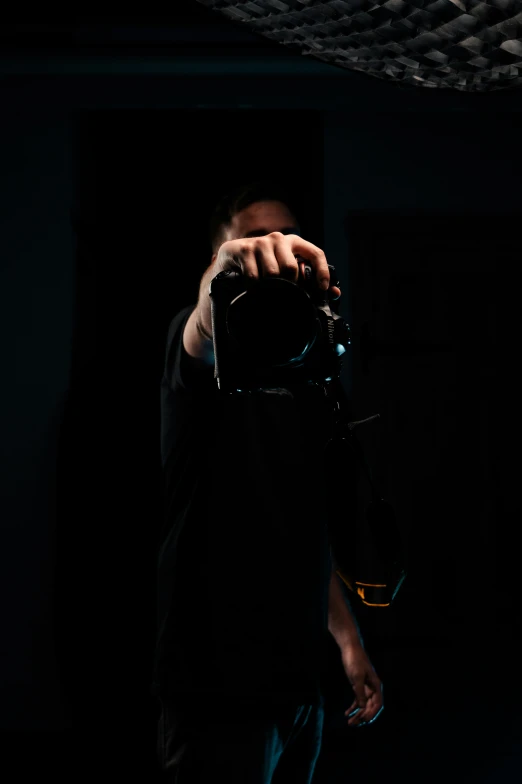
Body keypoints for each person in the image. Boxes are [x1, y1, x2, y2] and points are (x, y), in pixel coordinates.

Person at [150, 180, 384, 783]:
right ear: (216, 257)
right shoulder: (201, 348)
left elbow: (304, 525)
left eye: (286, 236)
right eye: (256, 239)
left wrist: (349, 641)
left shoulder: (310, 374)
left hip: (299, 679)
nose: (274, 248)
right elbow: (200, 332)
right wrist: (220, 283)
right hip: (216, 681)